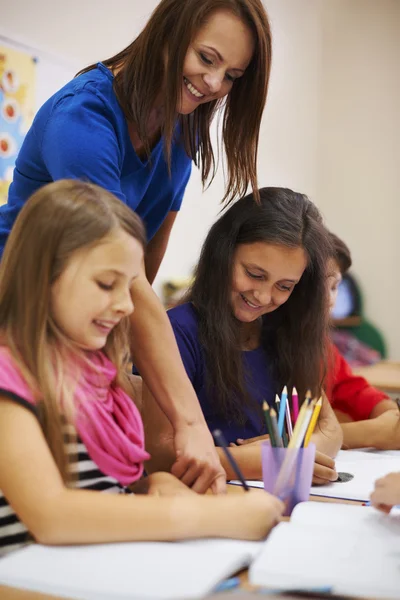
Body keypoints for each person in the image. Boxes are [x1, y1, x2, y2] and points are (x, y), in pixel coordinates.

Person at [0, 0, 273, 494]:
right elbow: (122, 275)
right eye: (206, 59)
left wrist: (124, 363)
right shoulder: (82, 118)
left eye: (231, 75)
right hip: (18, 315)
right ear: (168, 32)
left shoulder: (183, 126)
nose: (214, 85)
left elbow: (139, 273)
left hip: (83, 322)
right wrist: (189, 422)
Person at [0, 180, 284, 557]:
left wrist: (154, 486)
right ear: (43, 274)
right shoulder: (9, 380)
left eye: (130, 287)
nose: (127, 306)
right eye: (106, 284)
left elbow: (104, 493)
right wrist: (216, 515)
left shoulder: (97, 380)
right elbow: (52, 516)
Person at [141, 187, 343, 486]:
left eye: (285, 286)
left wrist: (282, 454)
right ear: (224, 254)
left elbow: (330, 431)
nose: (263, 296)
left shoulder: (285, 332)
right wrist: (267, 461)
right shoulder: (176, 332)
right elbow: (160, 454)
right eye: (255, 274)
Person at [325, 232, 400, 450]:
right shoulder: (267, 347)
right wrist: (374, 432)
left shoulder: (321, 349)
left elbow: (354, 390)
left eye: (334, 287)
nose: (329, 300)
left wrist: (388, 413)